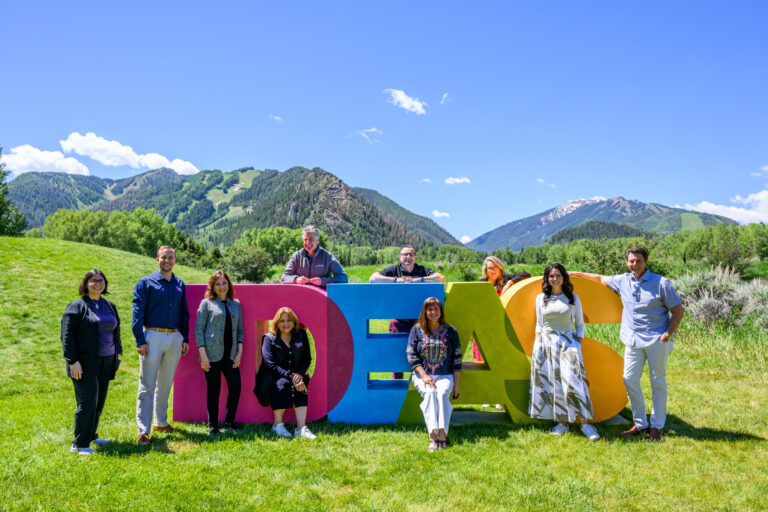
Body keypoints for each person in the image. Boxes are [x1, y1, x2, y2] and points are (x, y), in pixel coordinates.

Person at [572, 247, 684, 441]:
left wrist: (667, 334)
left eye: (638, 261)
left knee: (658, 383)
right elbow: (599, 279)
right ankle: (641, 424)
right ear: (627, 263)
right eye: (631, 261)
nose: (635, 264)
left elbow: (678, 310)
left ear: (646, 262)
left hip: (657, 340)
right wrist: (574, 274)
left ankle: (657, 426)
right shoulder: (623, 280)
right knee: (629, 379)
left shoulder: (661, 283)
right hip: (632, 340)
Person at [528, 264, 599, 440]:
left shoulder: (573, 298)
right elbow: (539, 322)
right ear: (547, 279)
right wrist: (538, 341)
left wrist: (579, 341)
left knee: (575, 382)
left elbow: (580, 323)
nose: (555, 279)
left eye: (558, 275)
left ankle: (586, 424)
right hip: (546, 344)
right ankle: (562, 423)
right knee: (554, 383)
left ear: (564, 277)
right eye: (551, 276)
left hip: (568, 343)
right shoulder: (541, 298)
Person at [133, 246, 190, 446]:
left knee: (165, 384)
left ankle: (161, 422)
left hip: (174, 338)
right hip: (152, 337)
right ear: (157, 259)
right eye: (163, 257)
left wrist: (185, 338)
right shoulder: (145, 283)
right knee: (147, 385)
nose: (167, 261)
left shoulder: (179, 284)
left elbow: (185, 313)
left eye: (170, 258)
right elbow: (137, 313)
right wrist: (140, 340)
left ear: (175, 260)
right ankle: (143, 431)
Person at [61, 269, 122, 455]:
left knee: (98, 402)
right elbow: (67, 336)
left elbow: (115, 329)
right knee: (87, 402)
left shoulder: (109, 305)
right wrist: (72, 361)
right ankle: (78, 444)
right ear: (86, 284)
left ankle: (91, 436)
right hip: (84, 363)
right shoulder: (76, 306)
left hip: (107, 361)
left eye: (101, 281)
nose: (98, 284)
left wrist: (118, 352)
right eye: (93, 281)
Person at [407, 297, 462, 452]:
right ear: (425, 312)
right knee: (430, 394)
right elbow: (411, 354)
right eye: (430, 309)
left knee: (442, 393)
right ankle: (433, 436)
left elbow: (457, 358)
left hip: (445, 375)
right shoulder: (416, 330)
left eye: (436, 309)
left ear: (440, 311)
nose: (433, 312)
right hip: (421, 375)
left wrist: (456, 385)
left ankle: (442, 433)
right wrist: (424, 375)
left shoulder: (450, 331)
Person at [475, 256, 530, 408]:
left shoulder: (507, 280)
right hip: (483, 327)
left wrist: (510, 283)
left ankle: (499, 398)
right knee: (483, 365)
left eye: (494, 268)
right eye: (488, 268)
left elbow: (526, 274)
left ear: (500, 268)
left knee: (499, 363)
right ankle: (487, 396)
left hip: (501, 328)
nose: (491, 271)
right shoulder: (481, 282)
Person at [195, 270, 244, 436]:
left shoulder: (236, 304)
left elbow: (239, 330)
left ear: (229, 284)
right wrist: (203, 356)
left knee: (236, 386)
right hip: (212, 354)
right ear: (212, 286)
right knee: (213, 390)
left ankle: (229, 422)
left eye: (224, 283)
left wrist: (239, 352)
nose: (222, 287)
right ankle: (213, 426)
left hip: (231, 354)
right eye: (218, 284)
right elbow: (198, 331)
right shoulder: (206, 304)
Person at [261, 307, 317, 440]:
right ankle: (278, 425)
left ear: (294, 322)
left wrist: (298, 375)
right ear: (276, 323)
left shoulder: (301, 335)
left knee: (301, 386)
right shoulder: (269, 339)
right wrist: (292, 377)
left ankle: (301, 428)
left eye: (289, 320)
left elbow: (307, 358)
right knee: (283, 386)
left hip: (298, 374)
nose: (286, 324)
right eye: (282, 321)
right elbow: (270, 364)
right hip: (278, 375)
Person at [281, 225, 347, 288]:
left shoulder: (327, 256)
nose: (307, 242)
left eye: (311, 239)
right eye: (305, 239)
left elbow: (343, 278)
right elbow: (284, 277)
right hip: (299, 296)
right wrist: (296, 280)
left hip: (321, 297)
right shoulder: (296, 256)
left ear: (318, 240)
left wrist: (322, 281)